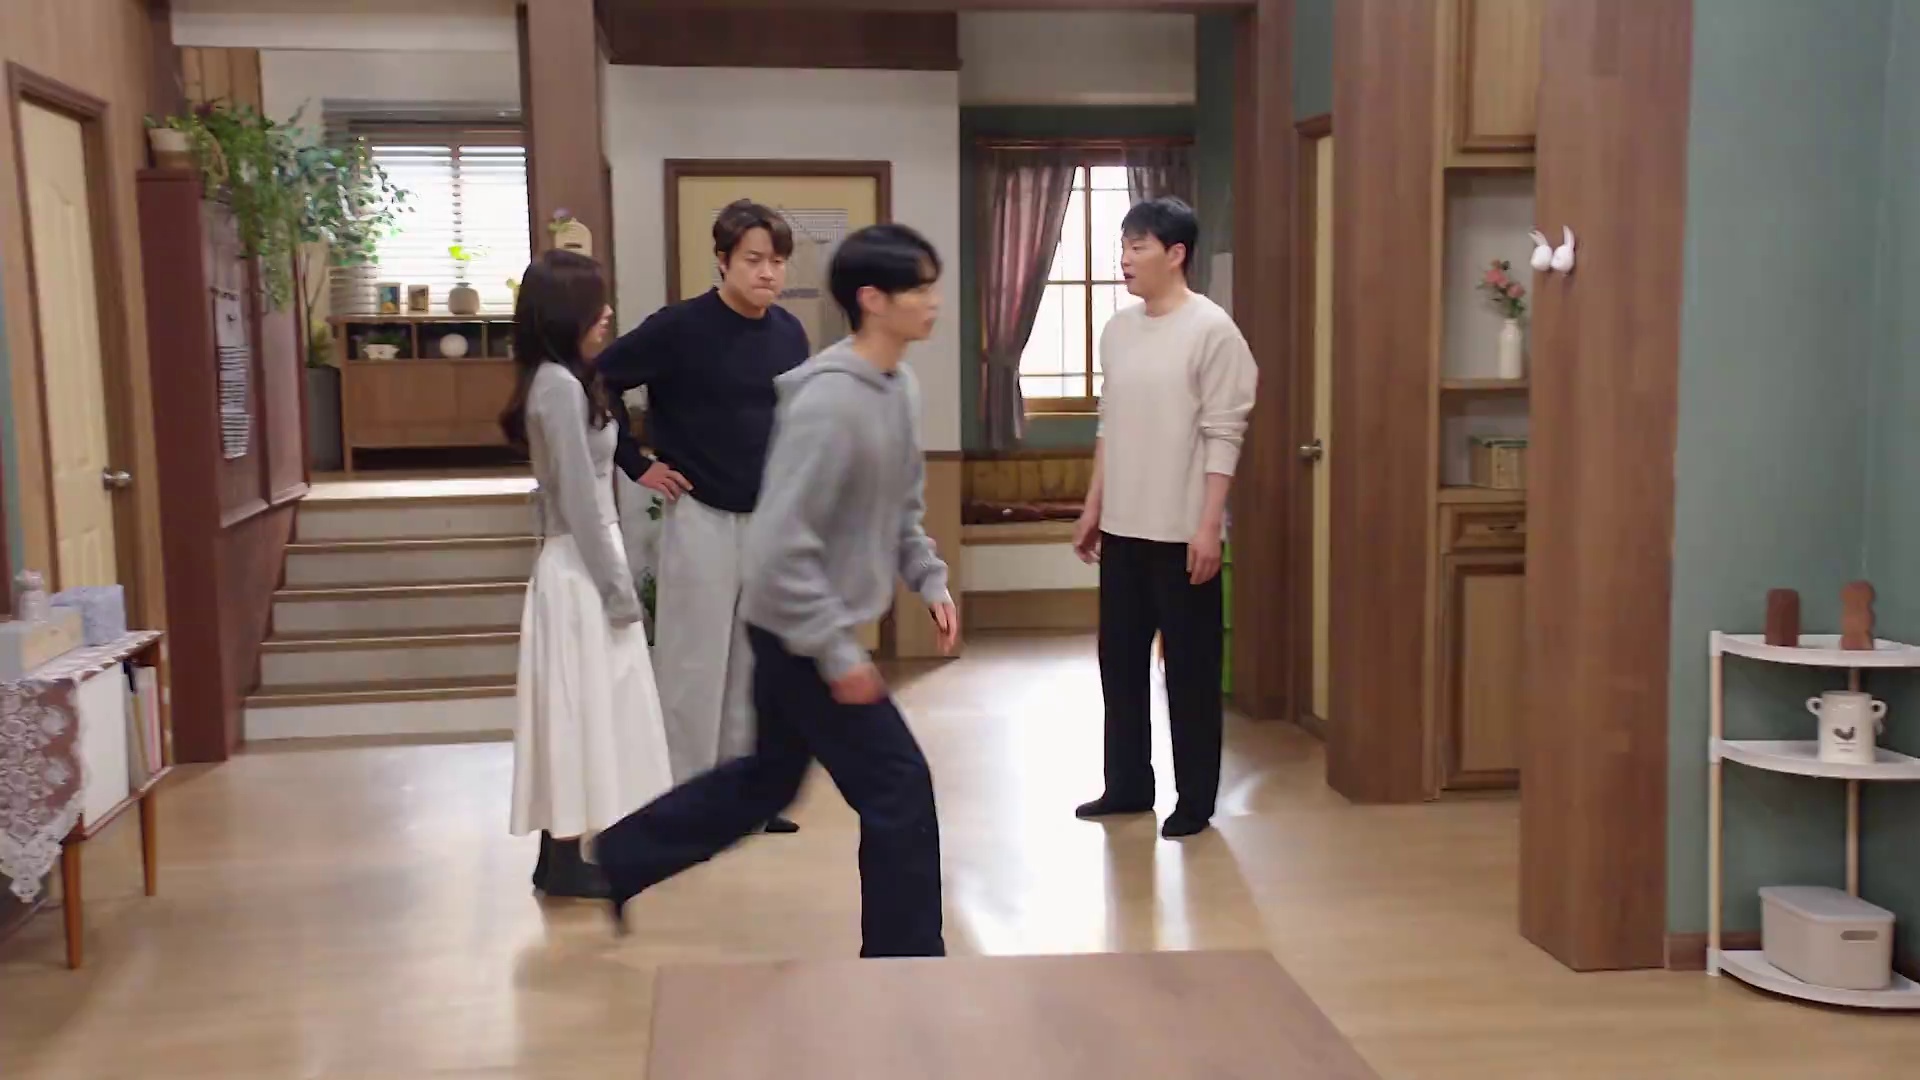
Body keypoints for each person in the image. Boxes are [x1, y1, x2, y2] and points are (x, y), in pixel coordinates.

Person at [594, 223, 959, 958]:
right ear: (872, 299)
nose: (933, 301)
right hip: (798, 629)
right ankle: (907, 963)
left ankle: (623, 854)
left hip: (806, 625)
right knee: (898, 787)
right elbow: (779, 546)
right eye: (919, 288)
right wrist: (837, 654)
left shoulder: (898, 389)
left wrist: (928, 576)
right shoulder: (828, 402)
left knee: (766, 781)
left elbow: (898, 506)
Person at [598, 199, 812, 834]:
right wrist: (634, 462)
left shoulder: (789, 333)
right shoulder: (679, 327)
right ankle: (683, 798)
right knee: (694, 662)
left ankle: (745, 796)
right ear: (722, 260)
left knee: (756, 663)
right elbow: (599, 379)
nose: (767, 272)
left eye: (777, 261)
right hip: (700, 511)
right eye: (753, 260)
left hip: (768, 515)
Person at [1071, 196, 1258, 840]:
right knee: (1119, 664)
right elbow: (1110, 424)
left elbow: (1224, 434)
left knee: (1190, 671)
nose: (1125, 258)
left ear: (1176, 254)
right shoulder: (1118, 330)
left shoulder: (1212, 330)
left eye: (1138, 246)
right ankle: (1127, 784)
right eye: (1123, 245)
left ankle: (1195, 799)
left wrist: (1210, 526)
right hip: (1123, 528)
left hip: (1182, 533)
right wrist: (1094, 505)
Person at [502, 249, 674, 898]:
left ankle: (561, 855)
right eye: (594, 303)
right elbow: (577, 497)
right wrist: (616, 589)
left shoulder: (562, 380)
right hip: (581, 563)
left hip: (583, 557)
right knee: (581, 706)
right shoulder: (558, 386)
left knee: (580, 705)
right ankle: (567, 857)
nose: (606, 313)